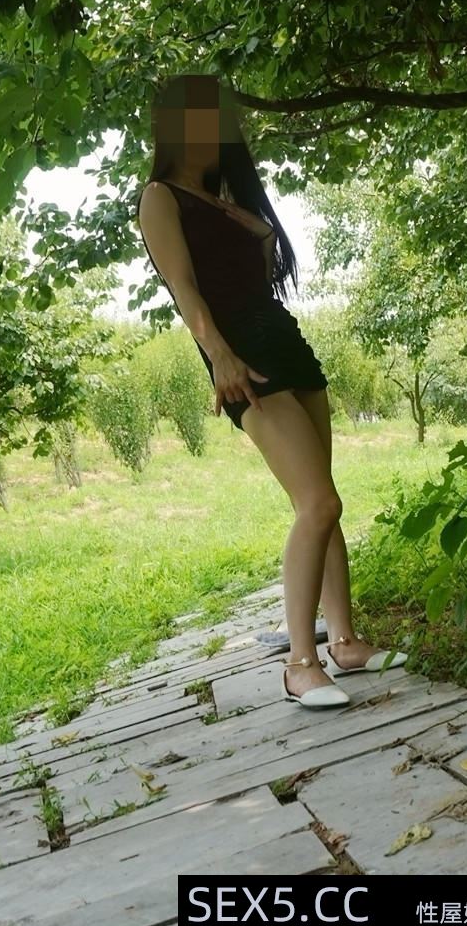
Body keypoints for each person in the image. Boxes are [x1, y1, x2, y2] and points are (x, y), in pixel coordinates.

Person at [134, 72, 406, 709]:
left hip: (287, 345)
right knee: (318, 503)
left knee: (326, 503)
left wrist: (252, 225)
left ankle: (345, 643)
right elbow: (185, 290)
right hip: (244, 361)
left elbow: (258, 284)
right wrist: (219, 356)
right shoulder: (159, 198)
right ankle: (299, 663)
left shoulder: (226, 200)